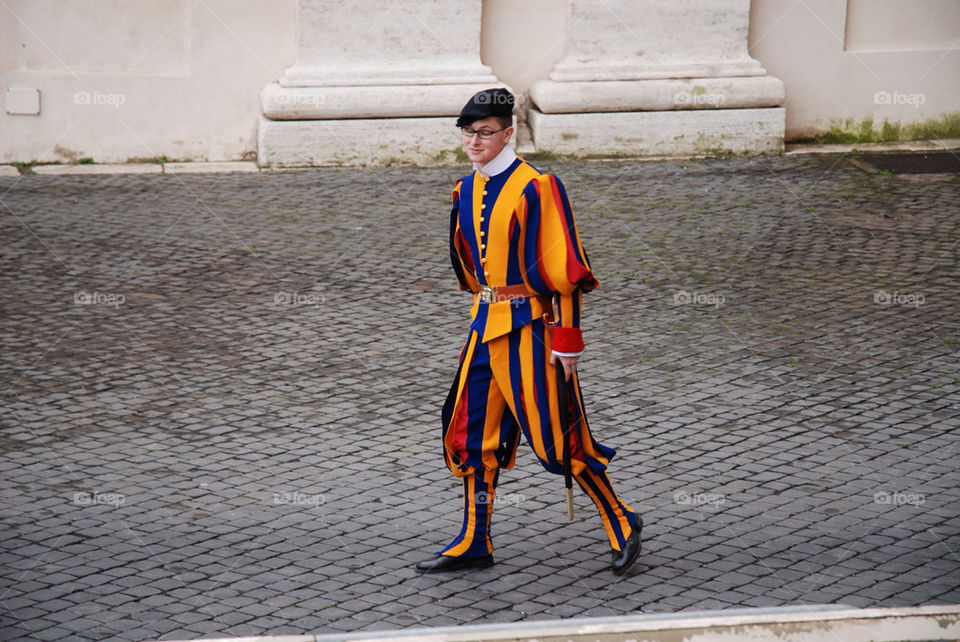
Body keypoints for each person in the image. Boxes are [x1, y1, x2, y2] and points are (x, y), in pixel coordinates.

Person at [415, 88, 642, 575]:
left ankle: (621, 520)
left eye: (485, 132)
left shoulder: (537, 187)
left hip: (532, 331)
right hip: (484, 326)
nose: (474, 141)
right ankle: (476, 539)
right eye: (467, 132)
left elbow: (564, 268)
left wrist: (567, 340)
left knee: (558, 438)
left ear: (508, 133)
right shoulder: (465, 187)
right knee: (471, 433)